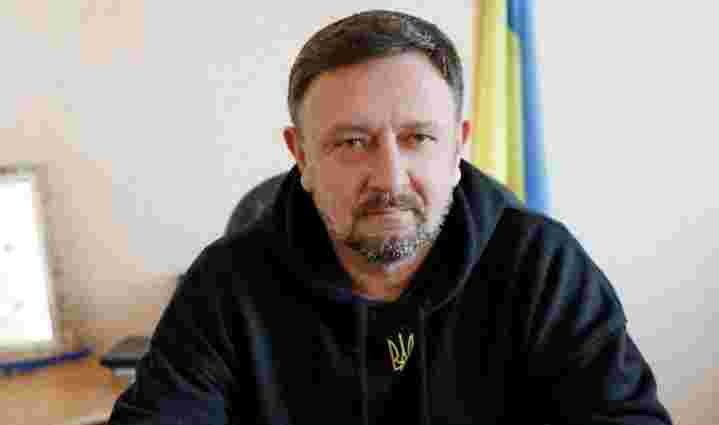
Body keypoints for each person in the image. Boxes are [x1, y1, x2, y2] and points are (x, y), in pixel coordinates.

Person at [109, 10, 673, 425]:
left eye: (417, 138)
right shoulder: (225, 285)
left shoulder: (542, 266)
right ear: (301, 156)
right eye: (352, 142)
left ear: (458, 147)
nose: (390, 179)